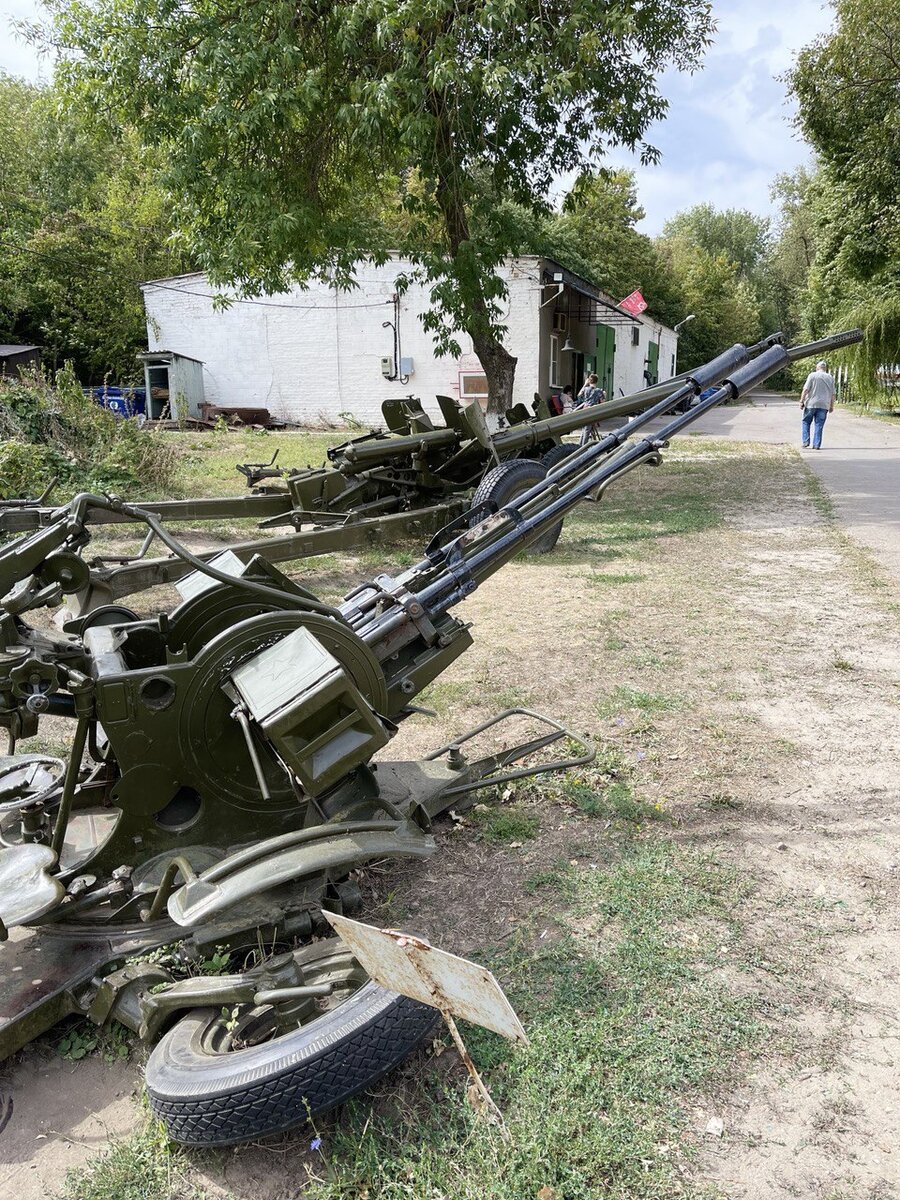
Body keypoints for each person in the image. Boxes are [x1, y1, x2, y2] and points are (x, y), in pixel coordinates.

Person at [800, 360, 836, 449]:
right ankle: (816, 445)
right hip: (824, 405)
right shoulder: (830, 377)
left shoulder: (812, 375)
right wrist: (831, 406)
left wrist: (802, 401)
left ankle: (805, 441)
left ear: (817, 368)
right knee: (819, 424)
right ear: (825, 368)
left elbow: (805, 390)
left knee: (806, 422)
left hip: (811, 404)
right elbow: (833, 394)